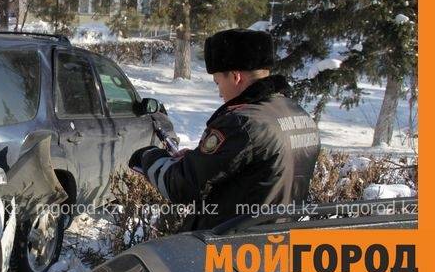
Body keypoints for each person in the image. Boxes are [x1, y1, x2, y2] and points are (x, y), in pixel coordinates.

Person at [129, 28, 320, 230]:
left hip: (233, 249)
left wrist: (148, 156)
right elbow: (256, 173)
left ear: (236, 77)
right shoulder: (299, 115)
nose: (219, 92)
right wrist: (198, 159)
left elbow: (182, 186)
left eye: (218, 82)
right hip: (278, 240)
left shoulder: (243, 123)